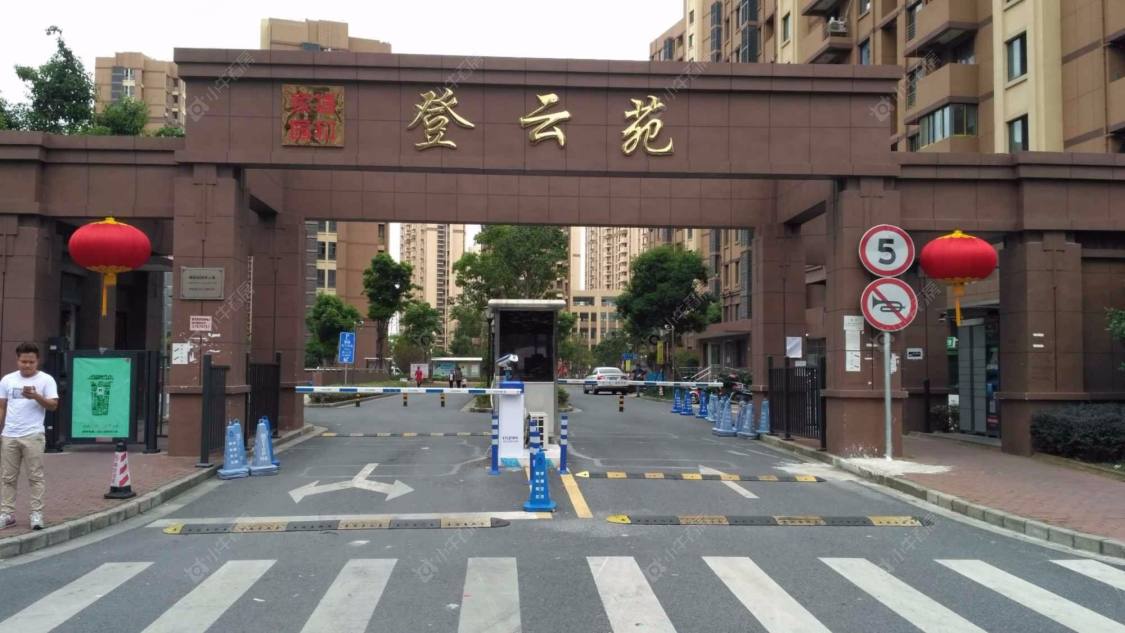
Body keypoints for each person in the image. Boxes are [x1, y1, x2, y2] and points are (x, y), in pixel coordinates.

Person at [0, 342, 59, 531]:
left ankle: (36, 513)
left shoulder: (46, 380)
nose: (27, 365)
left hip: (33, 435)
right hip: (9, 435)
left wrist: (36, 396)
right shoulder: (7, 380)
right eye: (23, 361)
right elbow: (2, 407)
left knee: (35, 476)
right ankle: (7, 514)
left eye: (31, 362)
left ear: (37, 361)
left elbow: (53, 405)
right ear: (17, 360)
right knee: (7, 477)